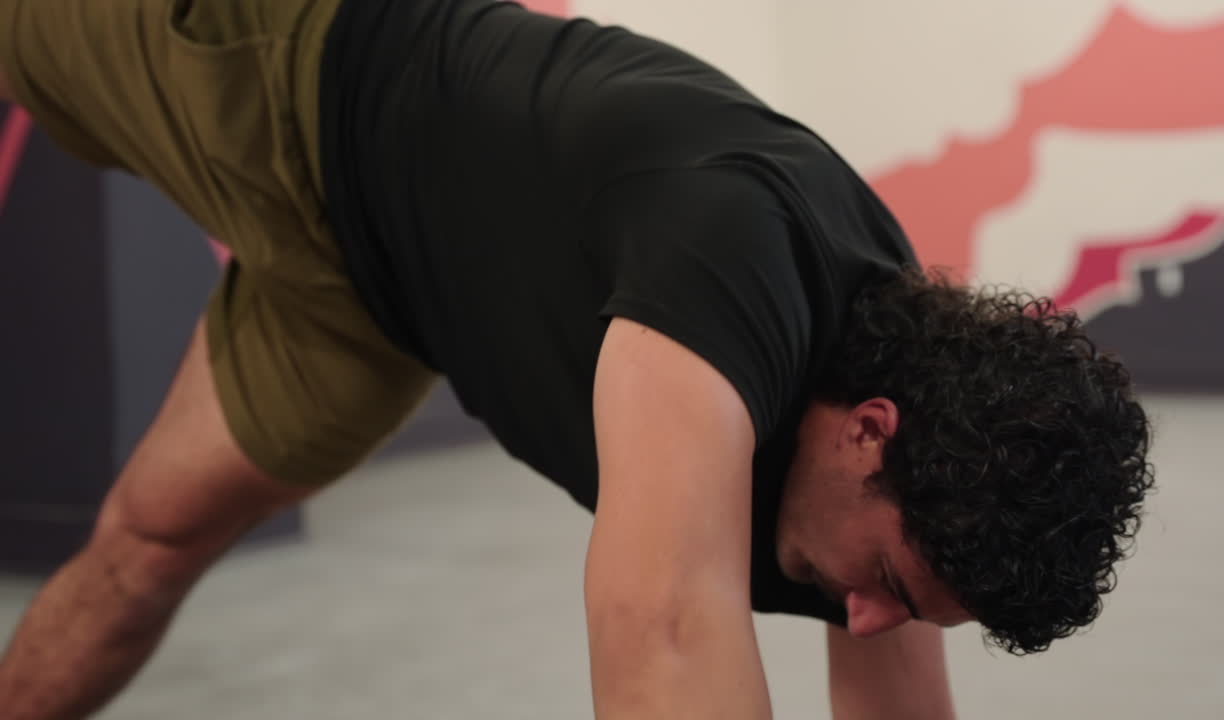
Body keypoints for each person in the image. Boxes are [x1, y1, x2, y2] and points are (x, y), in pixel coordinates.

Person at [0, 0, 1155, 718]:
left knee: (147, 543)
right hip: (288, 72)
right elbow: (657, 633)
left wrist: (894, 596)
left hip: (369, 304)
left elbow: (893, 687)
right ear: (870, 430)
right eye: (892, 590)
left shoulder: (871, 488)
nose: (865, 623)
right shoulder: (729, 252)